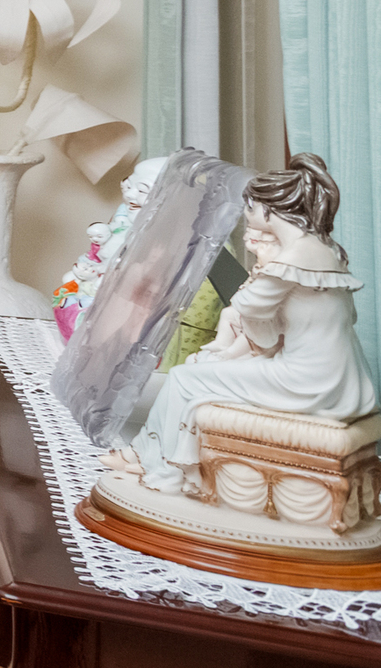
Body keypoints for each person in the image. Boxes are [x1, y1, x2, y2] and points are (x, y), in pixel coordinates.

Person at [106, 155, 374, 496]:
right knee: (202, 370)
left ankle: (159, 468)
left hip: (307, 381)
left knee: (184, 378)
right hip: (346, 378)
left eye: (249, 206)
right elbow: (341, 319)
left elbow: (256, 328)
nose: (246, 214)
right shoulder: (327, 250)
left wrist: (242, 346)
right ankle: (154, 458)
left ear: (267, 210)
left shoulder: (288, 260)